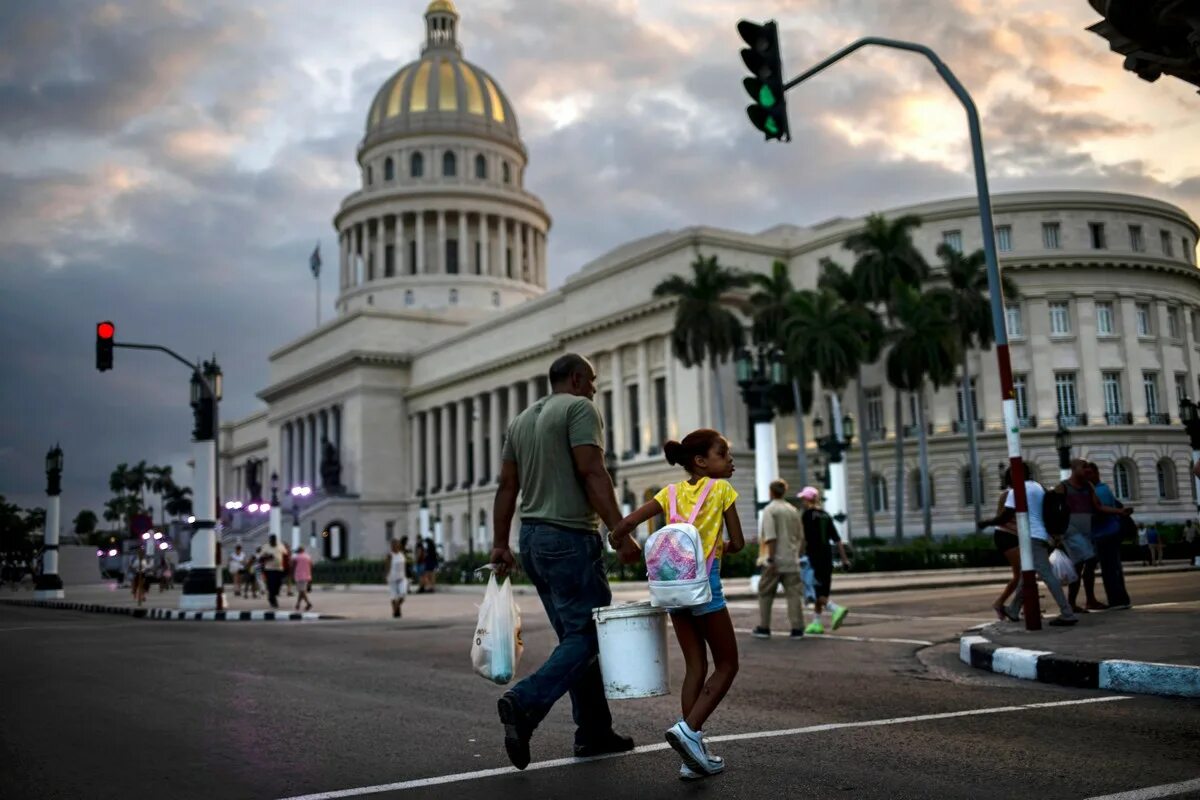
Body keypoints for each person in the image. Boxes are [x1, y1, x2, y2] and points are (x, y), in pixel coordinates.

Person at [490, 354, 636, 772]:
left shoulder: (520, 420)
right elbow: (592, 472)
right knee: (589, 637)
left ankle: (593, 733)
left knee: (578, 639)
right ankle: (525, 702)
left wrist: (501, 543)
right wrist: (620, 532)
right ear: (575, 379)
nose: (594, 389)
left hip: (533, 539)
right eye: (591, 381)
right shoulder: (579, 408)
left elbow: (506, 486)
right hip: (569, 537)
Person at [614, 430, 744, 779]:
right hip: (705, 587)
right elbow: (740, 542)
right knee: (728, 663)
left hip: (673, 590)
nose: (729, 460)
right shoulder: (722, 491)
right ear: (702, 462)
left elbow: (626, 524)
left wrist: (618, 539)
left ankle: (691, 758)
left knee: (695, 668)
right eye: (723, 453)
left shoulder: (668, 493)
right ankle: (689, 729)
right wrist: (723, 547)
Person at [1004, 460, 1078, 626]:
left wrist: (988, 522)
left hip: (1032, 537)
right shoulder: (1037, 486)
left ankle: (1067, 613)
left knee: (1047, 575)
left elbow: (1006, 516)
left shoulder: (1015, 491)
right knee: (1027, 574)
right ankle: (1013, 609)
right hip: (1044, 536)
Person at [1054, 459, 1123, 613]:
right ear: (1073, 468)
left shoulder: (1088, 487)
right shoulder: (1063, 487)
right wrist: (1056, 533)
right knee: (1089, 559)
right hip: (1071, 532)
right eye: (1083, 467)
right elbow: (1053, 509)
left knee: (1085, 566)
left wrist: (1119, 511)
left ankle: (1086, 601)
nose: (1087, 470)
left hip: (1086, 532)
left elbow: (1098, 507)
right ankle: (1073, 602)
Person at [752, 479, 806, 640]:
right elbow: (801, 538)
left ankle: (764, 627)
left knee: (765, 593)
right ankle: (797, 628)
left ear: (771, 492)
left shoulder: (770, 510)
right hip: (791, 558)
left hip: (775, 559)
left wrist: (771, 559)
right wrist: (798, 555)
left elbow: (771, 537)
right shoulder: (793, 510)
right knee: (794, 595)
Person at [798, 487, 851, 635]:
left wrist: (798, 554)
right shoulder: (826, 515)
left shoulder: (807, 515)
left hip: (812, 558)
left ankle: (835, 609)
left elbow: (803, 538)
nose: (802, 501)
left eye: (803, 498)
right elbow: (837, 539)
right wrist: (845, 559)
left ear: (807, 499)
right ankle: (817, 622)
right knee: (823, 590)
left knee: (814, 590)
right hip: (827, 558)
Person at [1084, 462, 1131, 609]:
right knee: (1113, 567)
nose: (1087, 476)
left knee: (1110, 569)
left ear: (1097, 473)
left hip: (1105, 533)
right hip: (1109, 532)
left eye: (1090, 473)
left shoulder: (1099, 491)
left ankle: (1117, 600)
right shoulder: (1100, 489)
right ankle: (1121, 599)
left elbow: (1101, 513)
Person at [978, 467, 1022, 621]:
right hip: (1006, 536)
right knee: (1023, 574)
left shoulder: (1022, 492)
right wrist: (987, 523)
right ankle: (1002, 603)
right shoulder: (1008, 495)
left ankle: (1013, 605)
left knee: (1023, 574)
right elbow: (1002, 517)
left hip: (1016, 536)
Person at [259, 535, 288, 609]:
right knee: (271, 585)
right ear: (270, 541)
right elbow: (260, 558)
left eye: (274, 541)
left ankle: (272, 596)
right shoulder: (266, 547)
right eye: (271, 541)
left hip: (279, 569)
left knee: (278, 585)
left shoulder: (280, 546)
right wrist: (267, 557)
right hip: (269, 569)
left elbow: (286, 554)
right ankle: (273, 600)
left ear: (276, 540)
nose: (273, 542)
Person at [387, 537, 408, 618]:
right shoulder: (390, 555)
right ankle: (396, 612)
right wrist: (387, 575)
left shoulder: (402, 554)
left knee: (403, 594)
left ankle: (396, 608)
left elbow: (404, 566)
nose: (395, 546)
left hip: (402, 577)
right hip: (393, 578)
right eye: (393, 545)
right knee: (393, 596)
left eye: (397, 544)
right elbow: (387, 566)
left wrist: (406, 575)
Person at [292, 546, 313, 612]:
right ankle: (298, 604)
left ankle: (308, 603)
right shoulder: (308, 557)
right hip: (307, 576)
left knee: (302, 591)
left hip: (299, 576)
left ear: (299, 551)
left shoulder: (296, 557)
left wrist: (292, 574)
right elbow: (311, 566)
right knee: (301, 591)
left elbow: (293, 566)